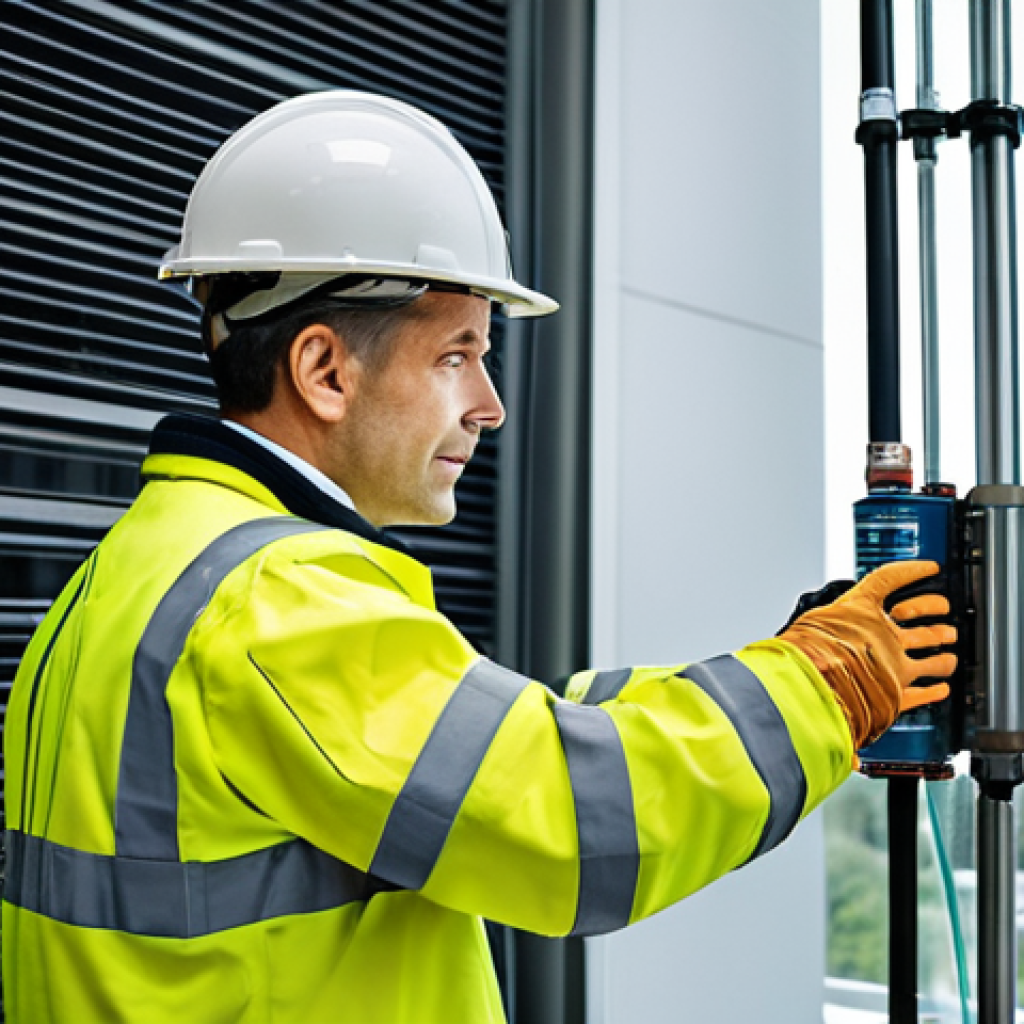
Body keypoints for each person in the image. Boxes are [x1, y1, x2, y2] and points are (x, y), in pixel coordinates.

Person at [1, 91, 956, 1024]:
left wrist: (774, 664)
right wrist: (826, 685)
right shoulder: (277, 601)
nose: (489, 404)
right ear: (326, 372)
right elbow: (577, 819)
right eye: (457, 354)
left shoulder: (141, 565)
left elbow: (502, 748)